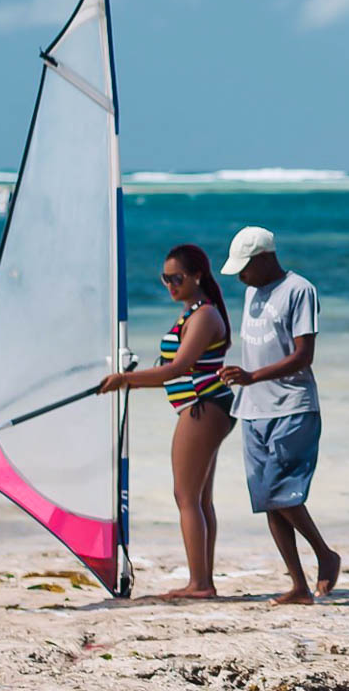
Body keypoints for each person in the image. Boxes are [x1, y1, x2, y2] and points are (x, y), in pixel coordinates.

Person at [97, 244, 235, 599]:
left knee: (186, 496)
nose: (170, 285)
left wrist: (125, 380)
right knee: (200, 498)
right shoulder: (193, 312)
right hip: (204, 406)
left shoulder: (204, 315)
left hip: (203, 406)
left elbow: (178, 368)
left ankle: (199, 584)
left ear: (197, 276)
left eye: (177, 278)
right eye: (165, 278)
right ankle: (203, 581)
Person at [215, 227, 340, 606]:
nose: (240, 277)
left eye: (245, 268)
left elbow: (304, 355)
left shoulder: (300, 290)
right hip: (253, 409)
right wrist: (242, 378)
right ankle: (299, 586)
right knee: (268, 499)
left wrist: (252, 376)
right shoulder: (252, 291)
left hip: (292, 407)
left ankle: (324, 554)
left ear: (265, 258)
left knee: (280, 492)